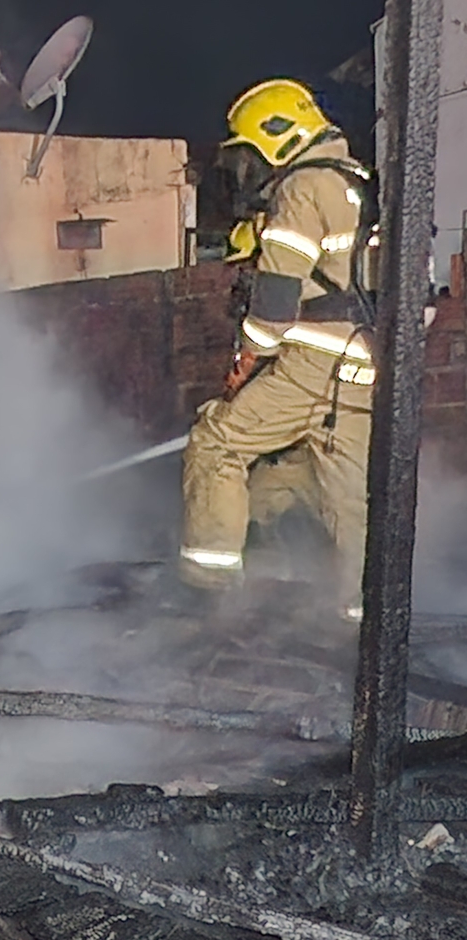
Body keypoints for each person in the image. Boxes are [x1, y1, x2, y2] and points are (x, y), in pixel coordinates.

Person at [180, 79, 375, 621]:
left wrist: (249, 357)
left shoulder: (303, 187)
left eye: (252, 155)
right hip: (368, 362)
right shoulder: (365, 186)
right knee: (349, 498)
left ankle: (210, 596)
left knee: (216, 443)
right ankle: (359, 623)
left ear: (279, 137)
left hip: (315, 358)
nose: (252, 170)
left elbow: (275, 297)